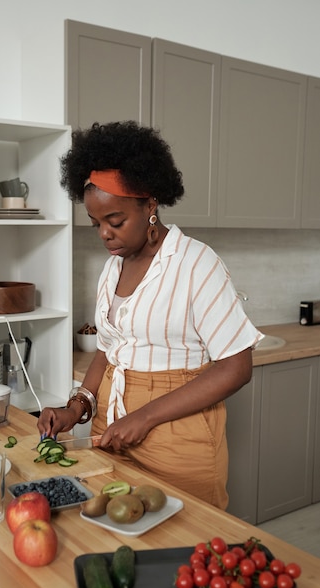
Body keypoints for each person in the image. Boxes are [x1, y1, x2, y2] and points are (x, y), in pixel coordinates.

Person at [37, 120, 262, 510]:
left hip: (176, 440)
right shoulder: (113, 267)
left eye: (116, 221)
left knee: (180, 551)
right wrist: (76, 407)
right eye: (96, 224)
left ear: (150, 205)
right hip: (111, 427)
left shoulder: (196, 264)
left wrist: (145, 417)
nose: (105, 234)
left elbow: (236, 367)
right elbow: (108, 351)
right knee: (115, 542)